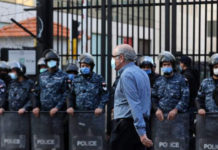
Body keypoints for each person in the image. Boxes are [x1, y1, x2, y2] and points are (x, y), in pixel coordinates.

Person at [110, 44, 153, 150]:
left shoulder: (127, 75)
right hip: (141, 122)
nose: (112, 60)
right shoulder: (142, 73)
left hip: (127, 126)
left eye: (114, 57)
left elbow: (135, 104)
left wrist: (141, 133)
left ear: (121, 58)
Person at [152, 51, 190, 121]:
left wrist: (176, 109)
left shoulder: (181, 80)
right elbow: (153, 97)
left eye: (168, 64)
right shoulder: (158, 81)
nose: (166, 66)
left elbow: (185, 98)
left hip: (178, 118)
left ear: (172, 66)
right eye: (164, 65)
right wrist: (157, 109)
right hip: (161, 119)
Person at [32, 50, 68, 117]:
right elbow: (36, 92)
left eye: (53, 60)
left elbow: (66, 94)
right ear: (46, 62)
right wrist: (36, 106)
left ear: (57, 62)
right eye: (49, 61)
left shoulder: (64, 76)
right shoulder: (42, 76)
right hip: (43, 112)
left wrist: (57, 107)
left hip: (59, 113)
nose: (51, 63)